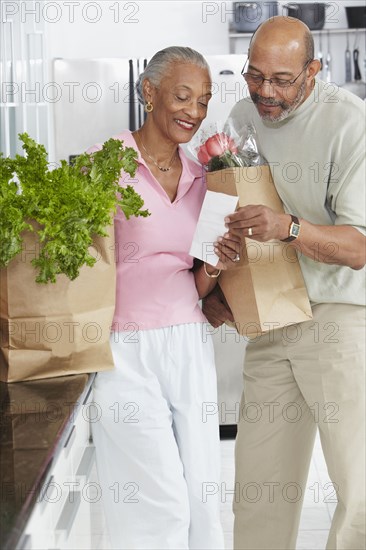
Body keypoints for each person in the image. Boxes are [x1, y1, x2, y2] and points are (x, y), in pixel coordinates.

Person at [203, 16, 366, 550]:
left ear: (313, 71)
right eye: (255, 76)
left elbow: (359, 247)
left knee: (358, 488)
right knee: (259, 487)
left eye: (281, 80)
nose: (264, 93)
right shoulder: (239, 116)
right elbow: (222, 216)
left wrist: (289, 228)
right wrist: (216, 288)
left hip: (337, 321)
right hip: (270, 319)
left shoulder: (350, 123)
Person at [89, 46, 240, 550]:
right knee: (157, 504)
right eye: (182, 96)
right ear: (149, 92)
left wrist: (215, 265)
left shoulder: (206, 178)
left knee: (200, 496)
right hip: (122, 349)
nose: (194, 113)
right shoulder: (103, 165)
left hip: (188, 344)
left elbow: (192, 281)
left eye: (203, 101)